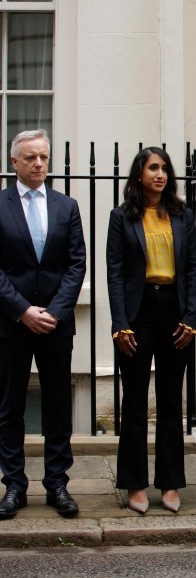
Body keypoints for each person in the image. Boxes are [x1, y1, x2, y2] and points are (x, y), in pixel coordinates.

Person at [106, 147, 196, 514]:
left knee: (170, 401)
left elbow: (194, 270)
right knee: (133, 401)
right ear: (139, 175)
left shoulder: (183, 215)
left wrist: (192, 319)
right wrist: (119, 324)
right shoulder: (122, 217)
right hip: (137, 312)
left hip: (174, 313)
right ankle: (134, 484)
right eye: (152, 168)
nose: (159, 175)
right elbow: (114, 273)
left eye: (164, 169)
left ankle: (170, 483)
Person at [0, 129, 86, 519]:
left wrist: (55, 310)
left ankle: (57, 484)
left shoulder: (66, 206)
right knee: (9, 405)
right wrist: (22, 310)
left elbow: (76, 264)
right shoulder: (0, 205)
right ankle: (14, 485)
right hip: (11, 322)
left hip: (55, 322)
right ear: (14, 162)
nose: (38, 164)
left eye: (43, 158)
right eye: (31, 158)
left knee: (57, 404)